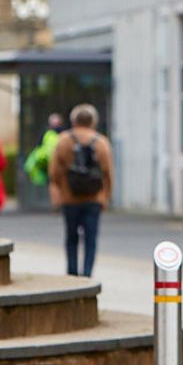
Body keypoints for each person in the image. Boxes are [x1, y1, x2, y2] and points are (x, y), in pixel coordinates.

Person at [48, 104, 112, 276]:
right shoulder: (101, 142)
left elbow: (54, 173)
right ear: (93, 122)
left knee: (71, 238)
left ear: (73, 121)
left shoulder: (63, 140)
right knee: (91, 239)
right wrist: (105, 197)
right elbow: (107, 173)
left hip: (70, 198)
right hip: (94, 199)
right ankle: (88, 273)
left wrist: (57, 196)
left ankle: (72, 273)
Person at [25, 112, 66, 186]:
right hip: (55, 164)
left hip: (47, 163)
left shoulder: (47, 132)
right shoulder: (64, 134)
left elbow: (38, 146)